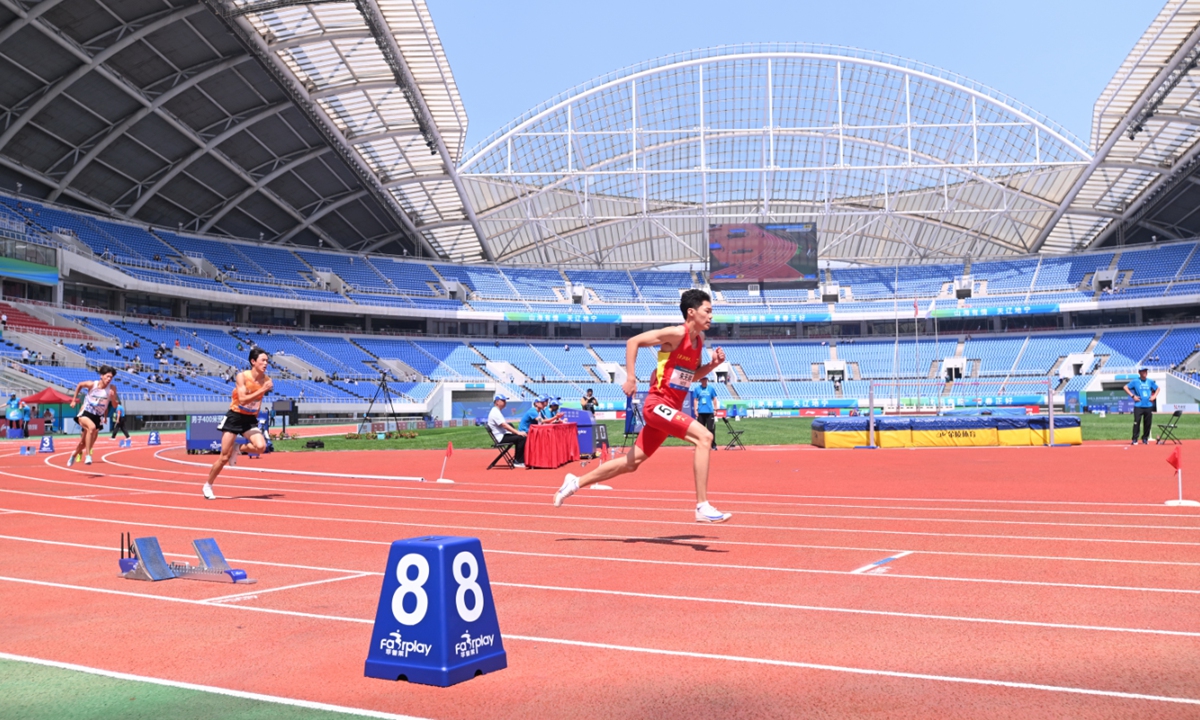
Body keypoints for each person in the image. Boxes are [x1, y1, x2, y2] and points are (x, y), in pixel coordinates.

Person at [553, 289, 731, 523]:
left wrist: (711, 365)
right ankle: (702, 505)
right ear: (691, 312)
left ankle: (574, 482)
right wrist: (630, 378)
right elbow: (633, 341)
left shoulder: (699, 341)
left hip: (669, 411)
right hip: (656, 405)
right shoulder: (676, 333)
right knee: (705, 437)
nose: (711, 316)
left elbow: (690, 377)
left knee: (631, 463)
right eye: (707, 311)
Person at [203, 348, 273, 500]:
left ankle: (238, 447)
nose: (266, 363)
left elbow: (258, 399)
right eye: (263, 360)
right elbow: (242, 399)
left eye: (267, 361)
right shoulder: (242, 376)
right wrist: (262, 389)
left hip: (249, 419)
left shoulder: (267, 380)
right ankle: (208, 485)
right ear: (253, 362)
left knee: (261, 447)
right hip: (235, 416)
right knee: (223, 457)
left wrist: (256, 413)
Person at [67, 365, 120, 466]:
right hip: (86, 412)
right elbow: (79, 385)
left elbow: (114, 405)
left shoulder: (112, 388)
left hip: (97, 417)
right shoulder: (92, 385)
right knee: (91, 428)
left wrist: (113, 398)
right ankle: (88, 456)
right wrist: (74, 400)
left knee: (84, 443)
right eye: (107, 376)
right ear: (101, 376)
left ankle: (74, 455)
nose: (109, 379)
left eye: (111, 377)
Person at [486, 395, 526, 468]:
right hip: (500, 437)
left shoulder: (496, 411)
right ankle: (518, 461)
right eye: (503, 400)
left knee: (521, 437)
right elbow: (504, 425)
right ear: (497, 402)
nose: (505, 402)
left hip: (503, 435)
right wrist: (517, 432)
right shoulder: (495, 412)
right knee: (521, 438)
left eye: (505, 401)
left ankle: (518, 459)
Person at [1125, 368, 1159, 445]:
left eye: (1146, 371)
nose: (1145, 373)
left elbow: (1158, 388)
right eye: (1143, 371)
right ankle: (1135, 439)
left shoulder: (1150, 381)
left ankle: (1145, 438)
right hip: (1138, 406)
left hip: (1148, 405)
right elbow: (1125, 387)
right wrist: (1133, 396)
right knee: (1136, 422)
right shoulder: (1135, 381)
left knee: (1148, 423)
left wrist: (1154, 396)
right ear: (1139, 372)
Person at [690, 376, 719, 451]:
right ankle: (700, 445)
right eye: (703, 379)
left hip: (709, 412)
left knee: (711, 429)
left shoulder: (711, 389)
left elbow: (714, 399)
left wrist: (715, 409)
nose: (704, 380)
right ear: (700, 380)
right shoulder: (697, 389)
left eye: (706, 379)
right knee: (700, 430)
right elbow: (695, 400)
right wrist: (695, 410)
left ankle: (713, 445)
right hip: (700, 412)